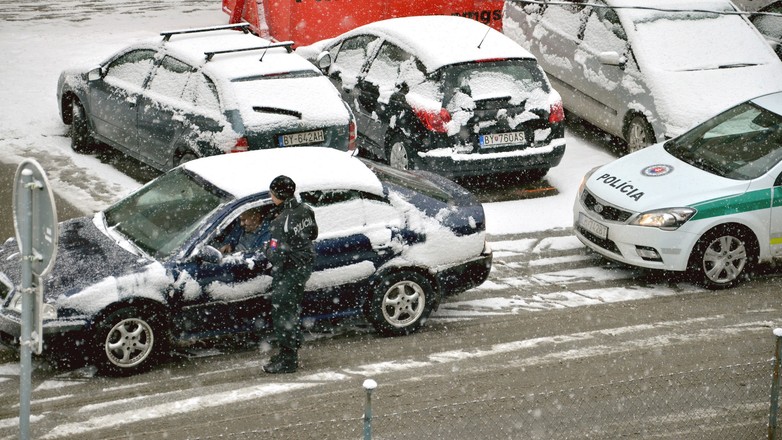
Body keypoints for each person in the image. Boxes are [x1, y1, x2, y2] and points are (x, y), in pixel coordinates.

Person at [262, 175, 318, 374]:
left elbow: (275, 255)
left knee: (283, 313)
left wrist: (267, 248)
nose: (270, 196)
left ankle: (288, 359)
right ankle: (291, 348)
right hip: (304, 267)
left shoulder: (281, 221)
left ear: (278, 194)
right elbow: (313, 233)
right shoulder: (305, 209)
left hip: (289, 271)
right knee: (291, 309)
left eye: (271, 193)